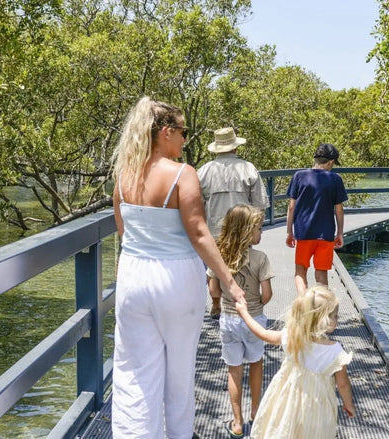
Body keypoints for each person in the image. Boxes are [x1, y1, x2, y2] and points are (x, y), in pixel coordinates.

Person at [110, 96, 247, 439]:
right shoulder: (182, 174)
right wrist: (230, 283)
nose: (186, 139)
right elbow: (199, 233)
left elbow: (124, 233)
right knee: (179, 371)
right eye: (183, 131)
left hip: (132, 277)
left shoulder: (124, 175)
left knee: (134, 372)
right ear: (166, 132)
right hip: (175, 280)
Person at [233, 285, 356, 438]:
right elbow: (343, 384)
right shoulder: (335, 351)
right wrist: (348, 404)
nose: (337, 319)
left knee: (285, 430)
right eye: (335, 315)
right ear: (324, 320)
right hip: (317, 407)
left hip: (287, 401)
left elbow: (263, 333)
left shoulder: (292, 337)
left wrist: (244, 313)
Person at [206, 204, 273, 438]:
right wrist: (257, 305)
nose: (261, 233)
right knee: (256, 364)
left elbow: (213, 289)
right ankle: (256, 414)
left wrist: (221, 302)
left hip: (229, 319)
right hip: (254, 319)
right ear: (246, 232)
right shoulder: (260, 258)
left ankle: (237, 422)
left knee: (234, 370)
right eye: (258, 229)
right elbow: (267, 294)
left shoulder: (219, 256)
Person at [198, 127, 269, 317]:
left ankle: (216, 303)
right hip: (244, 230)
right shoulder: (248, 168)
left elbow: (196, 207)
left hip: (214, 231)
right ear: (235, 147)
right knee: (243, 266)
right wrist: (257, 229)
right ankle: (245, 303)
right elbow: (260, 204)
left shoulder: (204, 171)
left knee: (214, 269)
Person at [285, 143, 347, 293]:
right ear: (331, 162)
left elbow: (291, 207)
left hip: (304, 232)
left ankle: (303, 306)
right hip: (325, 235)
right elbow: (339, 210)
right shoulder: (335, 179)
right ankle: (323, 310)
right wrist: (340, 233)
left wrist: (289, 232)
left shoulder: (299, 176)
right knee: (321, 274)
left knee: (300, 272)